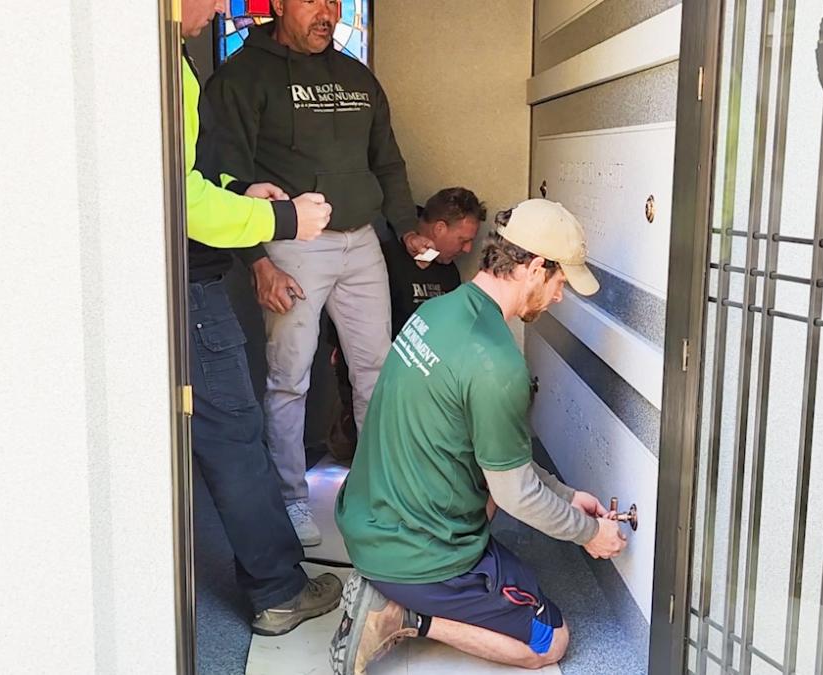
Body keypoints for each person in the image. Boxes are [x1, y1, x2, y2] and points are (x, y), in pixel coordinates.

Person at [330, 200, 627, 673]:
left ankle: (410, 587)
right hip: (413, 553)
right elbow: (514, 494)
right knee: (549, 642)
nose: (558, 297)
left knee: (499, 483)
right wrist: (590, 533)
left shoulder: (440, 311)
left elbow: (496, 459)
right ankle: (400, 614)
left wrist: (568, 496)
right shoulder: (497, 362)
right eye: (559, 282)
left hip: (369, 518)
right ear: (533, 268)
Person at [197, 0, 434, 547]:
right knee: (289, 381)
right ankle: (290, 500)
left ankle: (381, 494)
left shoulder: (356, 77)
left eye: (334, 1)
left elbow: (387, 160)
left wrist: (405, 228)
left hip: (362, 243)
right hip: (293, 247)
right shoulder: (243, 77)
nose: (326, 12)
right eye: (312, 1)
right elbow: (221, 178)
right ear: (278, 4)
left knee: (377, 372)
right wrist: (257, 259)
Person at [179, 0, 342, 636]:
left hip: (185, 281)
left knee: (224, 437)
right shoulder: (169, 67)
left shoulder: (173, 58)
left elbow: (186, 180)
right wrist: (282, 221)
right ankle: (277, 591)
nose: (224, 5)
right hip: (189, 290)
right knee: (235, 439)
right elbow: (179, 200)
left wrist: (242, 196)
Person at [325, 187, 484, 462]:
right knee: (356, 445)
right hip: (382, 376)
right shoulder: (382, 256)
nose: (468, 249)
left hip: (429, 382)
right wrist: (338, 344)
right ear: (439, 228)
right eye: (463, 240)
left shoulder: (448, 270)